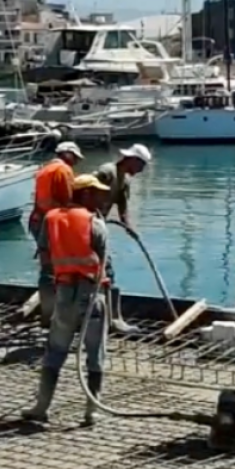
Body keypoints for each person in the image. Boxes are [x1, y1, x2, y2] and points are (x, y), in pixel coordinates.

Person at [22, 173, 112, 427]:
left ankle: (41, 407)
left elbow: (45, 256)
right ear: (85, 193)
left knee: (55, 351)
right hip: (92, 295)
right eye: (97, 193)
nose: (102, 198)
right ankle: (92, 411)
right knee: (95, 353)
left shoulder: (51, 219)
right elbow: (105, 263)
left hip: (64, 294)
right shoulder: (95, 223)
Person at [94, 143, 152, 334]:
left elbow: (123, 209)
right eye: (141, 165)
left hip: (99, 227)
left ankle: (112, 317)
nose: (141, 170)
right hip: (87, 226)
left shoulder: (124, 181)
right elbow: (85, 195)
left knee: (106, 272)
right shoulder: (106, 172)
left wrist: (130, 227)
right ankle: (108, 318)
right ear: (132, 160)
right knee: (101, 270)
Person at [28, 141, 84, 326]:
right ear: (67, 154)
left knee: (47, 269)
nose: (76, 162)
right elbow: (67, 201)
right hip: (52, 223)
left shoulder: (45, 169)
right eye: (75, 157)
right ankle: (56, 316)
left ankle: (47, 312)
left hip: (38, 220)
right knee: (57, 269)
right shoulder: (63, 170)